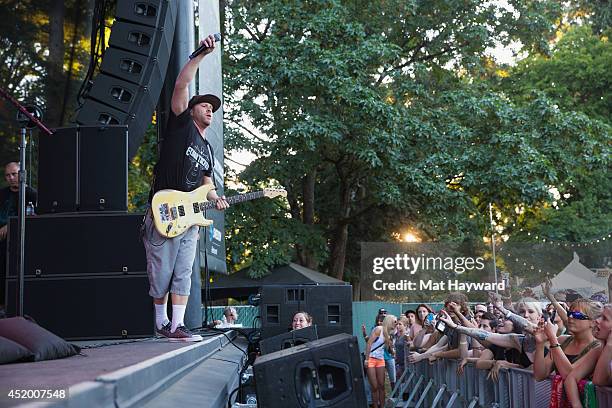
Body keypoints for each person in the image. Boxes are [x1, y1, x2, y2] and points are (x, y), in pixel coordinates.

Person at [142, 34, 229, 342]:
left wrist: (217, 199)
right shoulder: (180, 125)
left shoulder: (207, 149)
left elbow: (208, 186)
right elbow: (181, 84)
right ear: (192, 109)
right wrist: (201, 54)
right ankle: (160, 322)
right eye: (204, 105)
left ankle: (176, 326)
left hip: (190, 218)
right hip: (164, 209)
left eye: (212, 108)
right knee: (162, 271)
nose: (209, 110)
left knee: (184, 273)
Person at [0, 161, 37, 308]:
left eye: (14, 174)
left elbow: (33, 218)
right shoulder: (2, 193)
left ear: (22, 174)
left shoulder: (30, 194)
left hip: (15, 239)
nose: (11, 178)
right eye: (7, 175)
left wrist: (10, 225)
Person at [365, 314, 397, 408]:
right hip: (371, 358)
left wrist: (392, 351)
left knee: (381, 386)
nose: (396, 324)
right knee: (374, 386)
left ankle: (382, 406)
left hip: (380, 360)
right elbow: (369, 343)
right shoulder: (379, 329)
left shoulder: (389, 333)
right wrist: (366, 359)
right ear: (389, 321)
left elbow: (388, 349)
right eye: (394, 321)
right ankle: (375, 405)